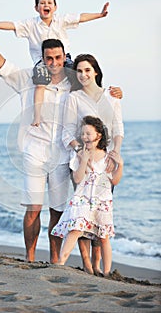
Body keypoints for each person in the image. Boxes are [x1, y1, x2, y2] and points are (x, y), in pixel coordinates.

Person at [0, 21, 122, 264]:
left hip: (63, 156)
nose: (53, 63)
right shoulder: (29, 79)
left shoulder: (74, 84)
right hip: (34, 152)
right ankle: (30, 258)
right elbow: (1, 64)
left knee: (57, 209)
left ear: (64, 57)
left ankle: (55, 260)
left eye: (57, 58)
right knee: (33, 208)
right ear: (42, 59)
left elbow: (97, 92)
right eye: (48, 58)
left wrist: (115, 92)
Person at [0, 0, 110, 126]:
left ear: (55, 7)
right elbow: (11, 25)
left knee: (80, 78)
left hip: (66, 60)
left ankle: (94, 105)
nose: (45, 5)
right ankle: (37, 116)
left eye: (49, 3)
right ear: (36, 8)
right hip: (41, 62)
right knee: (40, 86)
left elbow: (81, 17)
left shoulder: (61, 20)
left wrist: (100, 15)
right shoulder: (30, 24)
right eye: (42, 3)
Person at [62, 54, 124, 275]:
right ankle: (87, 264)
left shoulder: (112, 96)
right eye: (79, 71)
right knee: (82, 214)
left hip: (105, 162)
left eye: (87, 70)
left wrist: (115, 151)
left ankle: (98, 266)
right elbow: (67, 131)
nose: (83, 75)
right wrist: (81, 154)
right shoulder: (74, 98)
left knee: (101, 214)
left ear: (95, 71)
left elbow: (118, 128)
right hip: (82, 162)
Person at [52, 115, 124, 276]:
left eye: (88, 133)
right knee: (76, 229)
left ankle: (107, 272)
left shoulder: (108, 157)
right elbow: (77, 179)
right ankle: (60, 263)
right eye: (83, 134)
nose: (84, 137)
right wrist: (83, 160)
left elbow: (116, 181)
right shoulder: (79, 155)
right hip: (82, 200)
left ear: (98, 135)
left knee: (103, 237)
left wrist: (121, 165)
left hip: (102, 202)